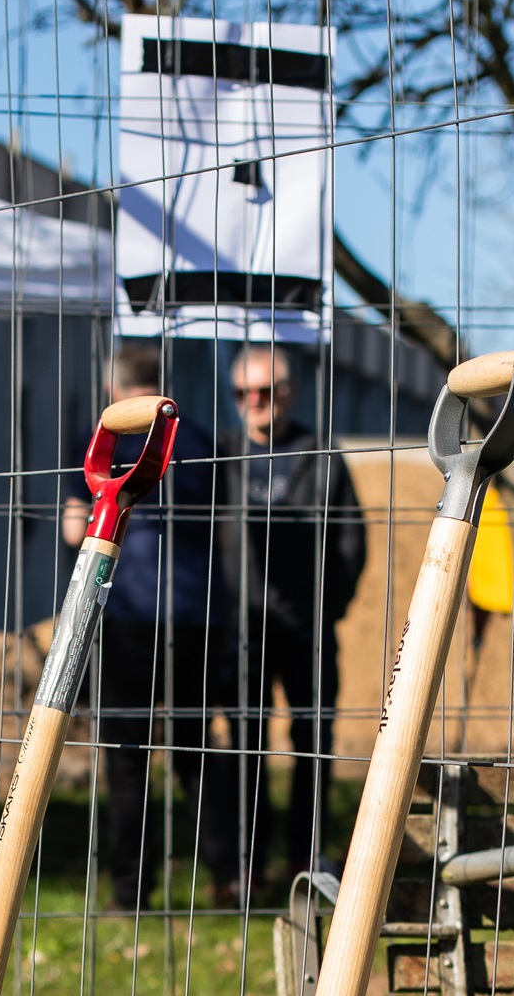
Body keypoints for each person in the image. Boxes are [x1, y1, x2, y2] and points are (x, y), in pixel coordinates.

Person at [61, 343, 223, 911]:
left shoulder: (98, 442)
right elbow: (220, 530)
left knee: (128, 758)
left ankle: (130, 891)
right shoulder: (198, 440)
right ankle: (230, 876)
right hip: (195, 616)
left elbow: (73, 530)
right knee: (195, 752)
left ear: (113, 392)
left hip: (125, 614)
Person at [222, 345, 364, 886]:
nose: (256, 402)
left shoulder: (321, 454)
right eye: (244, 393)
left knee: (313, 743)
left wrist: (331, 606)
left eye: (267, 390)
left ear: (290, 392)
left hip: (309, 629)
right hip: (241, 631)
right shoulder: (224, 455)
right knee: (246, 744)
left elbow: (353, 539)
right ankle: (247, 867)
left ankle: (306, 859)